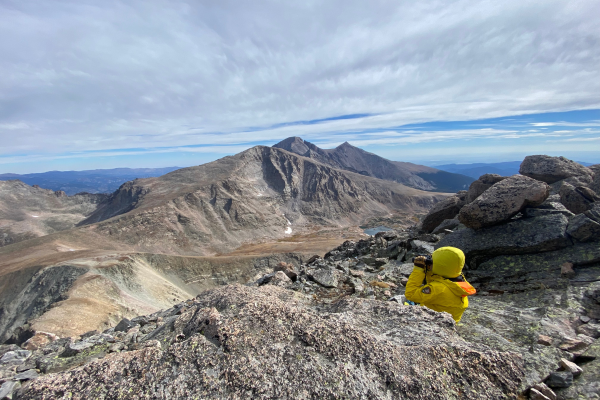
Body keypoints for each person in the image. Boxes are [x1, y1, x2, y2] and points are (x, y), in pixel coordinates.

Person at [404, 246, 476, 322]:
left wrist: (418, 269)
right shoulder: (458, 277)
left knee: (400, 301)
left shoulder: (437, 289)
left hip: (432, 321)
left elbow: (410, 294)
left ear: (439, 266)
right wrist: (430, 266)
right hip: (449, 320)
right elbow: (440, 274)